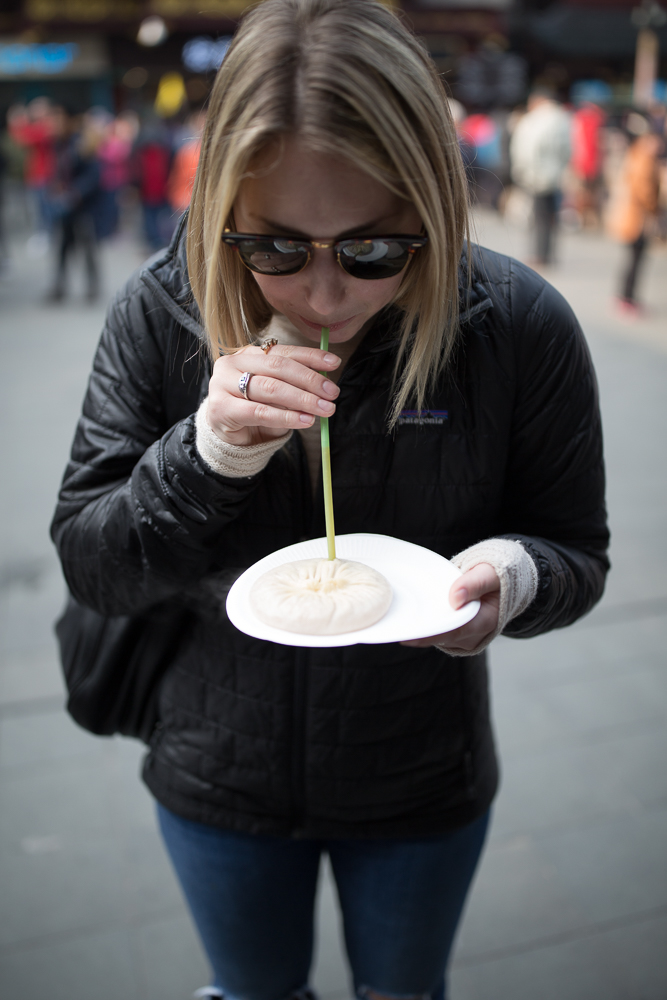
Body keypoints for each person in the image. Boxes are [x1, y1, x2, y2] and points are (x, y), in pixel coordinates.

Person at [50, 1, 609, 998]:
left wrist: (514, 580)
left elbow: (576, 550)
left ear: (431, 207)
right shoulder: (161, 308)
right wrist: (209, 451)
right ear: (226, 205)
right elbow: (92, 563)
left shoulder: (515, 327)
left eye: (373, 250)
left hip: (418, 775)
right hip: (215, 772)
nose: (324, 294)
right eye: (273, 247)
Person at [606, 113, 661, 315]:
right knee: (635, 260)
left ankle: (625, 296)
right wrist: (654, 208)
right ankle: (627, 298)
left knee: (632, 259)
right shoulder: (644, 158)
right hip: (638, 219)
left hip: (630, 216)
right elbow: (644, 189)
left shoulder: (635, 154)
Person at [510, 86, 571, 265]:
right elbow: (567, 150)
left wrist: (522, 171)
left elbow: (527, 149)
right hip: (555, 175)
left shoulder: (534, 120)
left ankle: (538, 255)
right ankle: (548, 254)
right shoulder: (562, 118)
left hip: (536, 175)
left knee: (539, 217)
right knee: (552, 217)